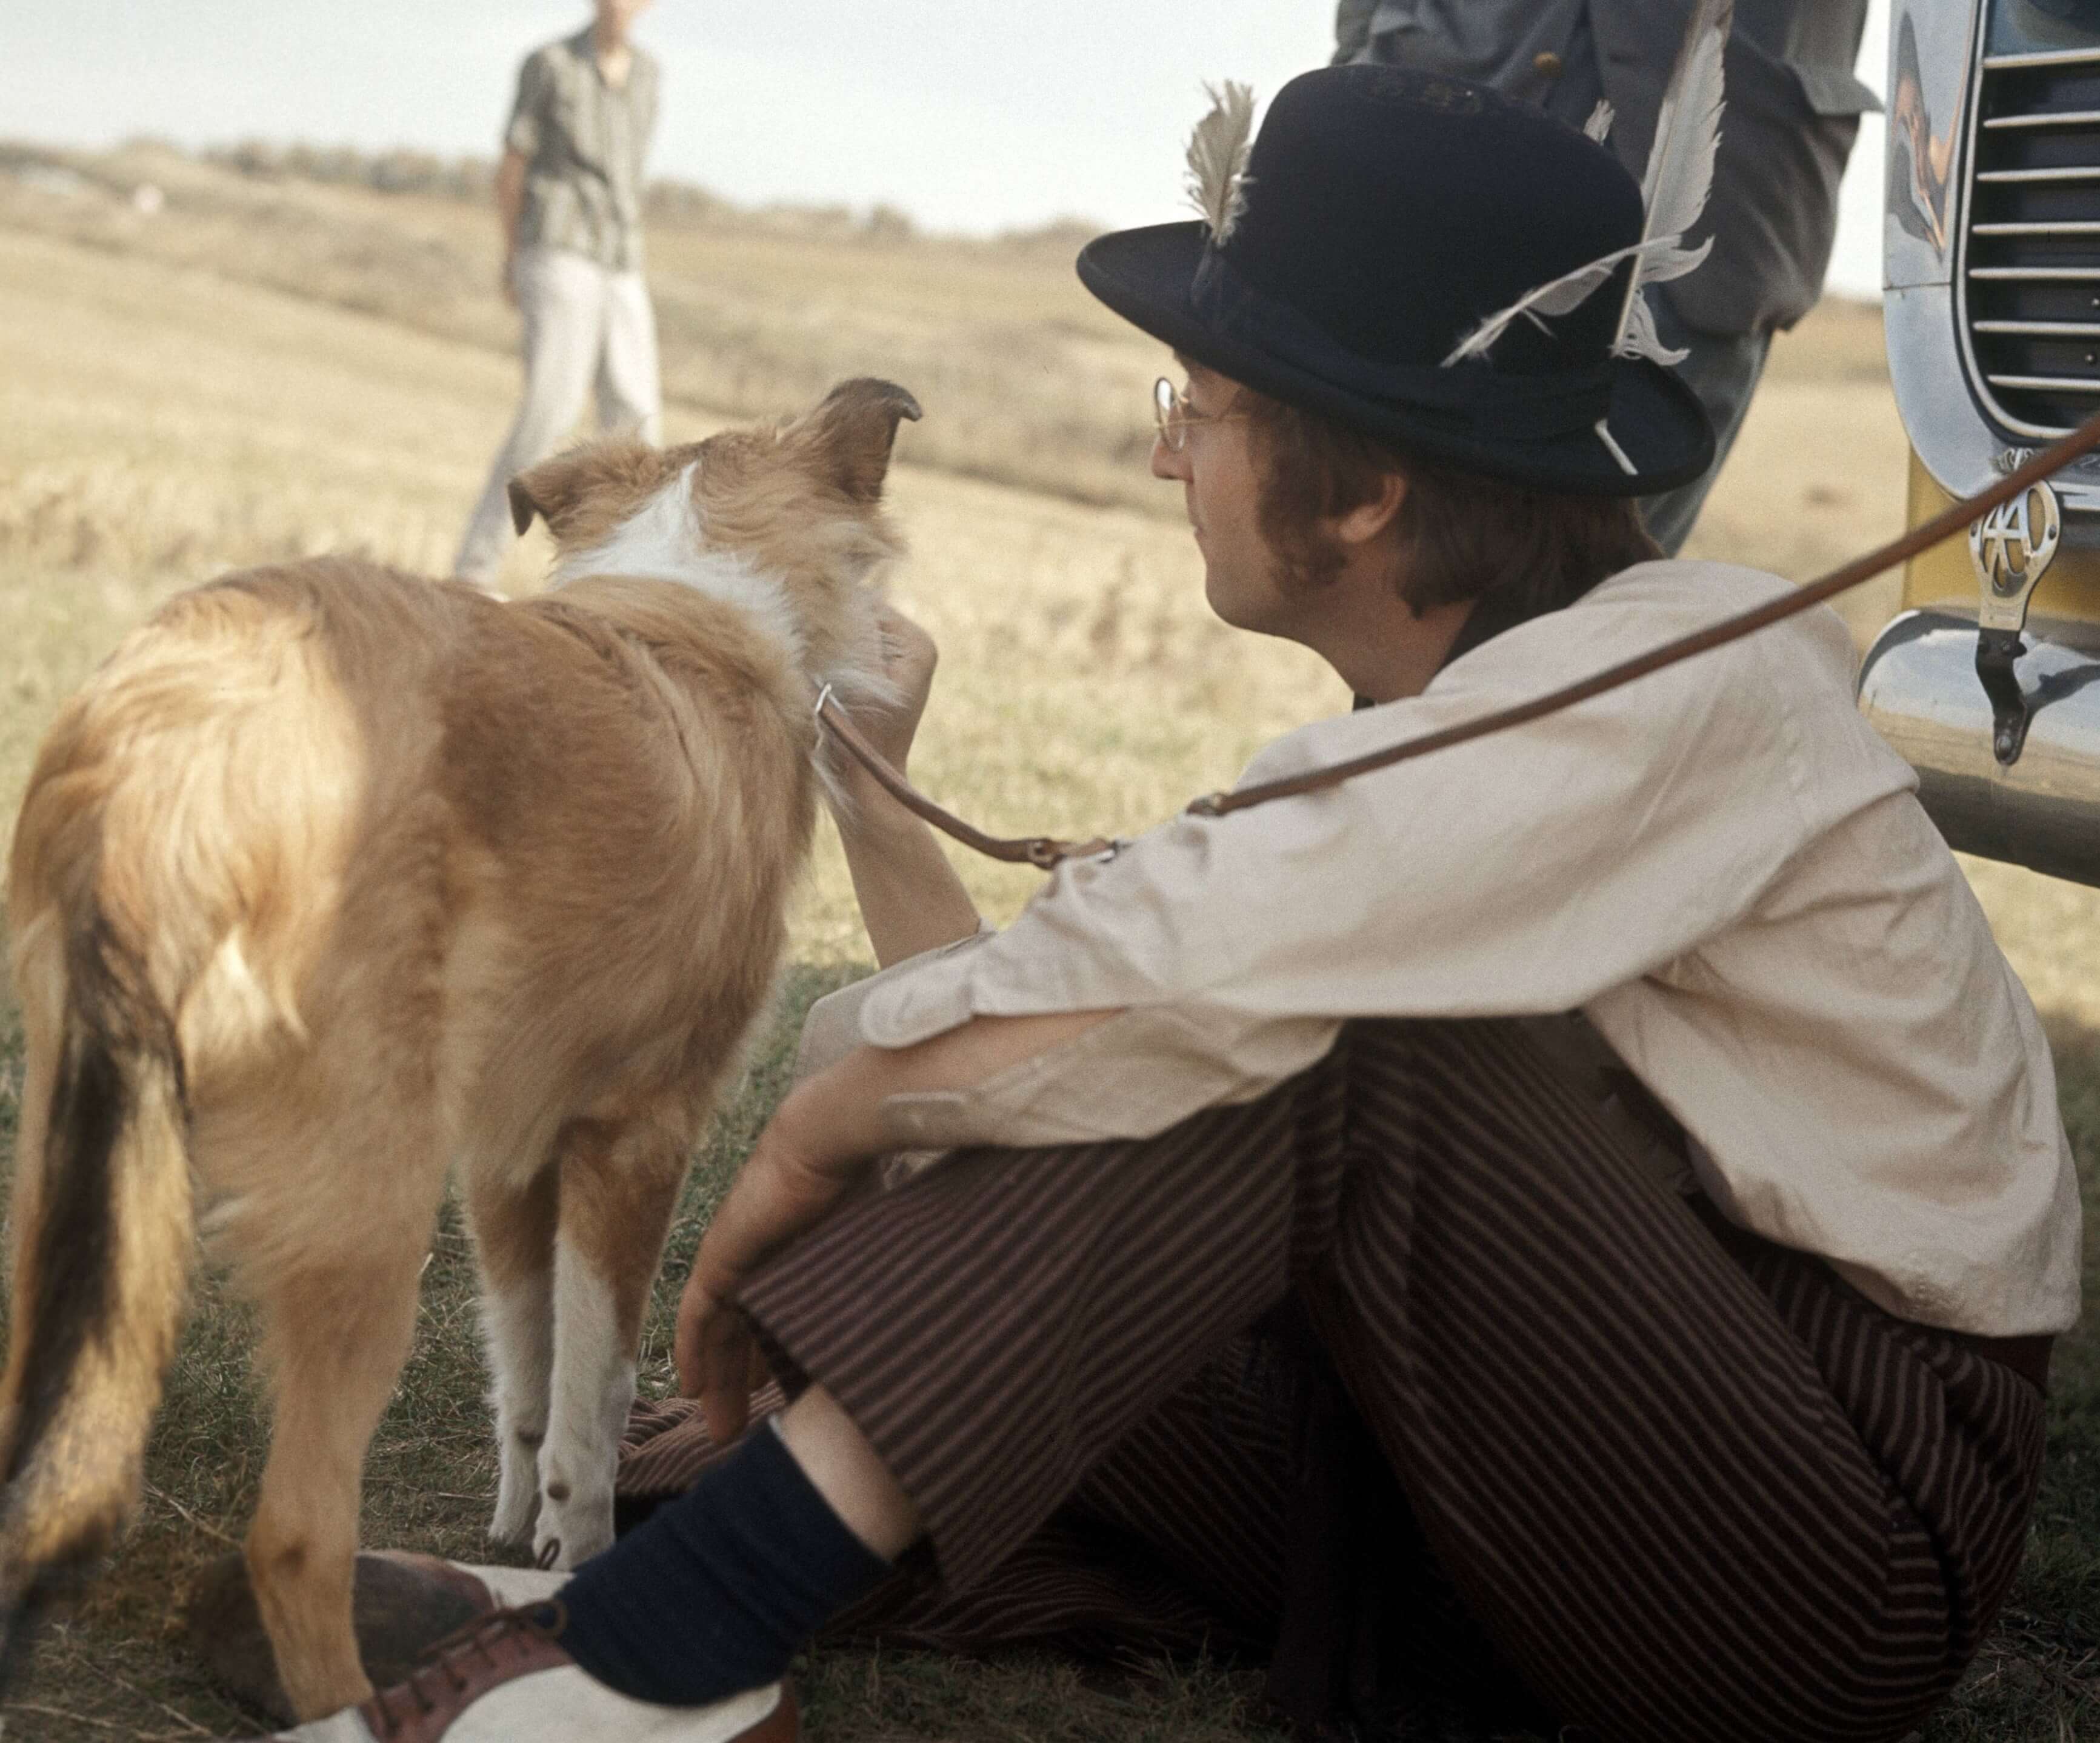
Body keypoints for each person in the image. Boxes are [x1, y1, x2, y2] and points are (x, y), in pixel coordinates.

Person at [246, 65, 2077, 1743]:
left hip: (1824, 1541)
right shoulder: (1463, 724)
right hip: (1535, 1445)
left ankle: (653, 1647)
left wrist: (819, 1122)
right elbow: (1079, 1034)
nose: (1158, 455)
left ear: (1358, 488)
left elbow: (1171, 993)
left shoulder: (1689, 679)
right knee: (1129, 1055)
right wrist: (873, 789)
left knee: (1295, 1046)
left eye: (1191, 409)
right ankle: (645, 1586)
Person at [1333, 0, 1881, 553]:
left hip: (1712, 163)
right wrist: (1354, 65)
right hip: (1436, 138)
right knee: (1388, 558)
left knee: (1590, 590)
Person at [453, 0, 664, 593]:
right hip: (557, 246)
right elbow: (511, 168)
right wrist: (513, 258)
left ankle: (630, 582)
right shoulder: (549, 64)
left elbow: (632, 176)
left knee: (639, 421)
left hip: (621, 256)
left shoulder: (649, 77)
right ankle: (475, 568)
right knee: (551, 410)